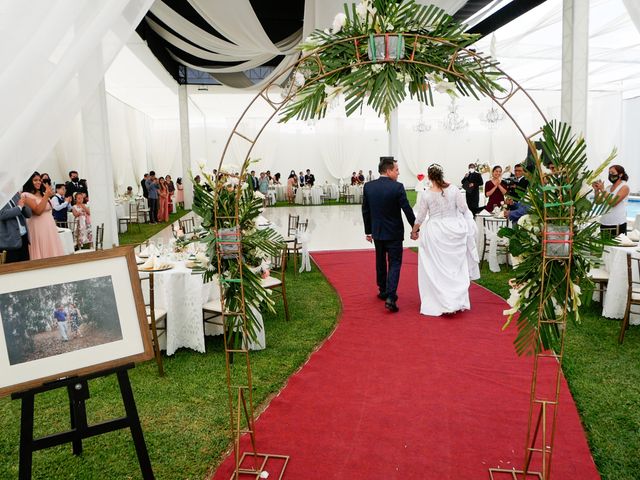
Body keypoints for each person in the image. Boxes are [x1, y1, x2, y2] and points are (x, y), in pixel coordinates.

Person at [411, 164, 479, 316]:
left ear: (429, 177)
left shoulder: (427, 194)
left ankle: (440, 300)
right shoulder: (454, 189)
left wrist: (414, 231)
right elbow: (464, 209)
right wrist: (467, 225)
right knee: (455, 268)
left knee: (436, 269)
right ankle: (455, 300)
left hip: (435, 233)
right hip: (454, 231)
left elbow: (420, 217)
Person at [362, 156, 416, 313]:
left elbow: (365, 210)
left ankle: (382, 290)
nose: (398, 173)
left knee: (380, 261)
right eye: (397, 170)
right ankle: (391, 297)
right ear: (388, 170)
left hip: (377, 232)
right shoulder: (397, 187)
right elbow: (407, 209)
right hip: (394, 233)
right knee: (395, 263)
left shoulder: (369, 187)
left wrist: (368, 231)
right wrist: (415, 228)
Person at [21, 172, 64, 260]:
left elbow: (50, 209)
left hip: (50, 227)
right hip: (38, 228)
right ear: (29, 181)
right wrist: (47, 195)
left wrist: (46, 195)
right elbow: (38, 211)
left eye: (39, 180)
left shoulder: (42, 194)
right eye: (35, 180)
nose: (39, 182)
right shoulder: (25, 195)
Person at [593, 164, 630, 236]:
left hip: (617, 224)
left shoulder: (624, 187)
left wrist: (602, 190)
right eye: (609, 173)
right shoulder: (608, 188)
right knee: (605, 247)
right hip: (604, 224)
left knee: (616, 247)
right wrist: (596, 191)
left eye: (612, 173)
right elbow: (598, 202)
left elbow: (613, 203)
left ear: (620, 175)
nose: (610, 175)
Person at [0, 192, 32, 263]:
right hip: (9, 241)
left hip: (23, 237)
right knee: (12, 269)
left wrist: (24, 205)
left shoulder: (15, 194)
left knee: (25, 267)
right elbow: (2, 214)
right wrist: (19, 207)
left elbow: (29, 214)